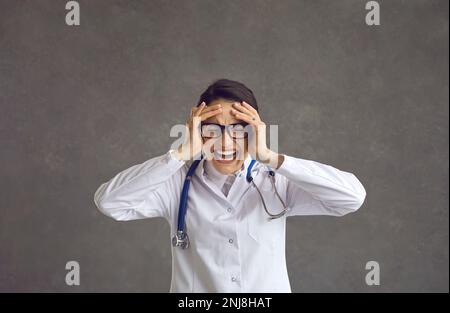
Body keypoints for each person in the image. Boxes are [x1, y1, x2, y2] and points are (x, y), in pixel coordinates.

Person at [94, 78, 366, 292]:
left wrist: (272, 157)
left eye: (238, 130)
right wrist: (178, 155)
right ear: (197, 131)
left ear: (255, 130)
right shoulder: (176, 183)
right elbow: (110, 203)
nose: (225, 143)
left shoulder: (277, 180)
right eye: (212, 129)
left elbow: (351, 197)